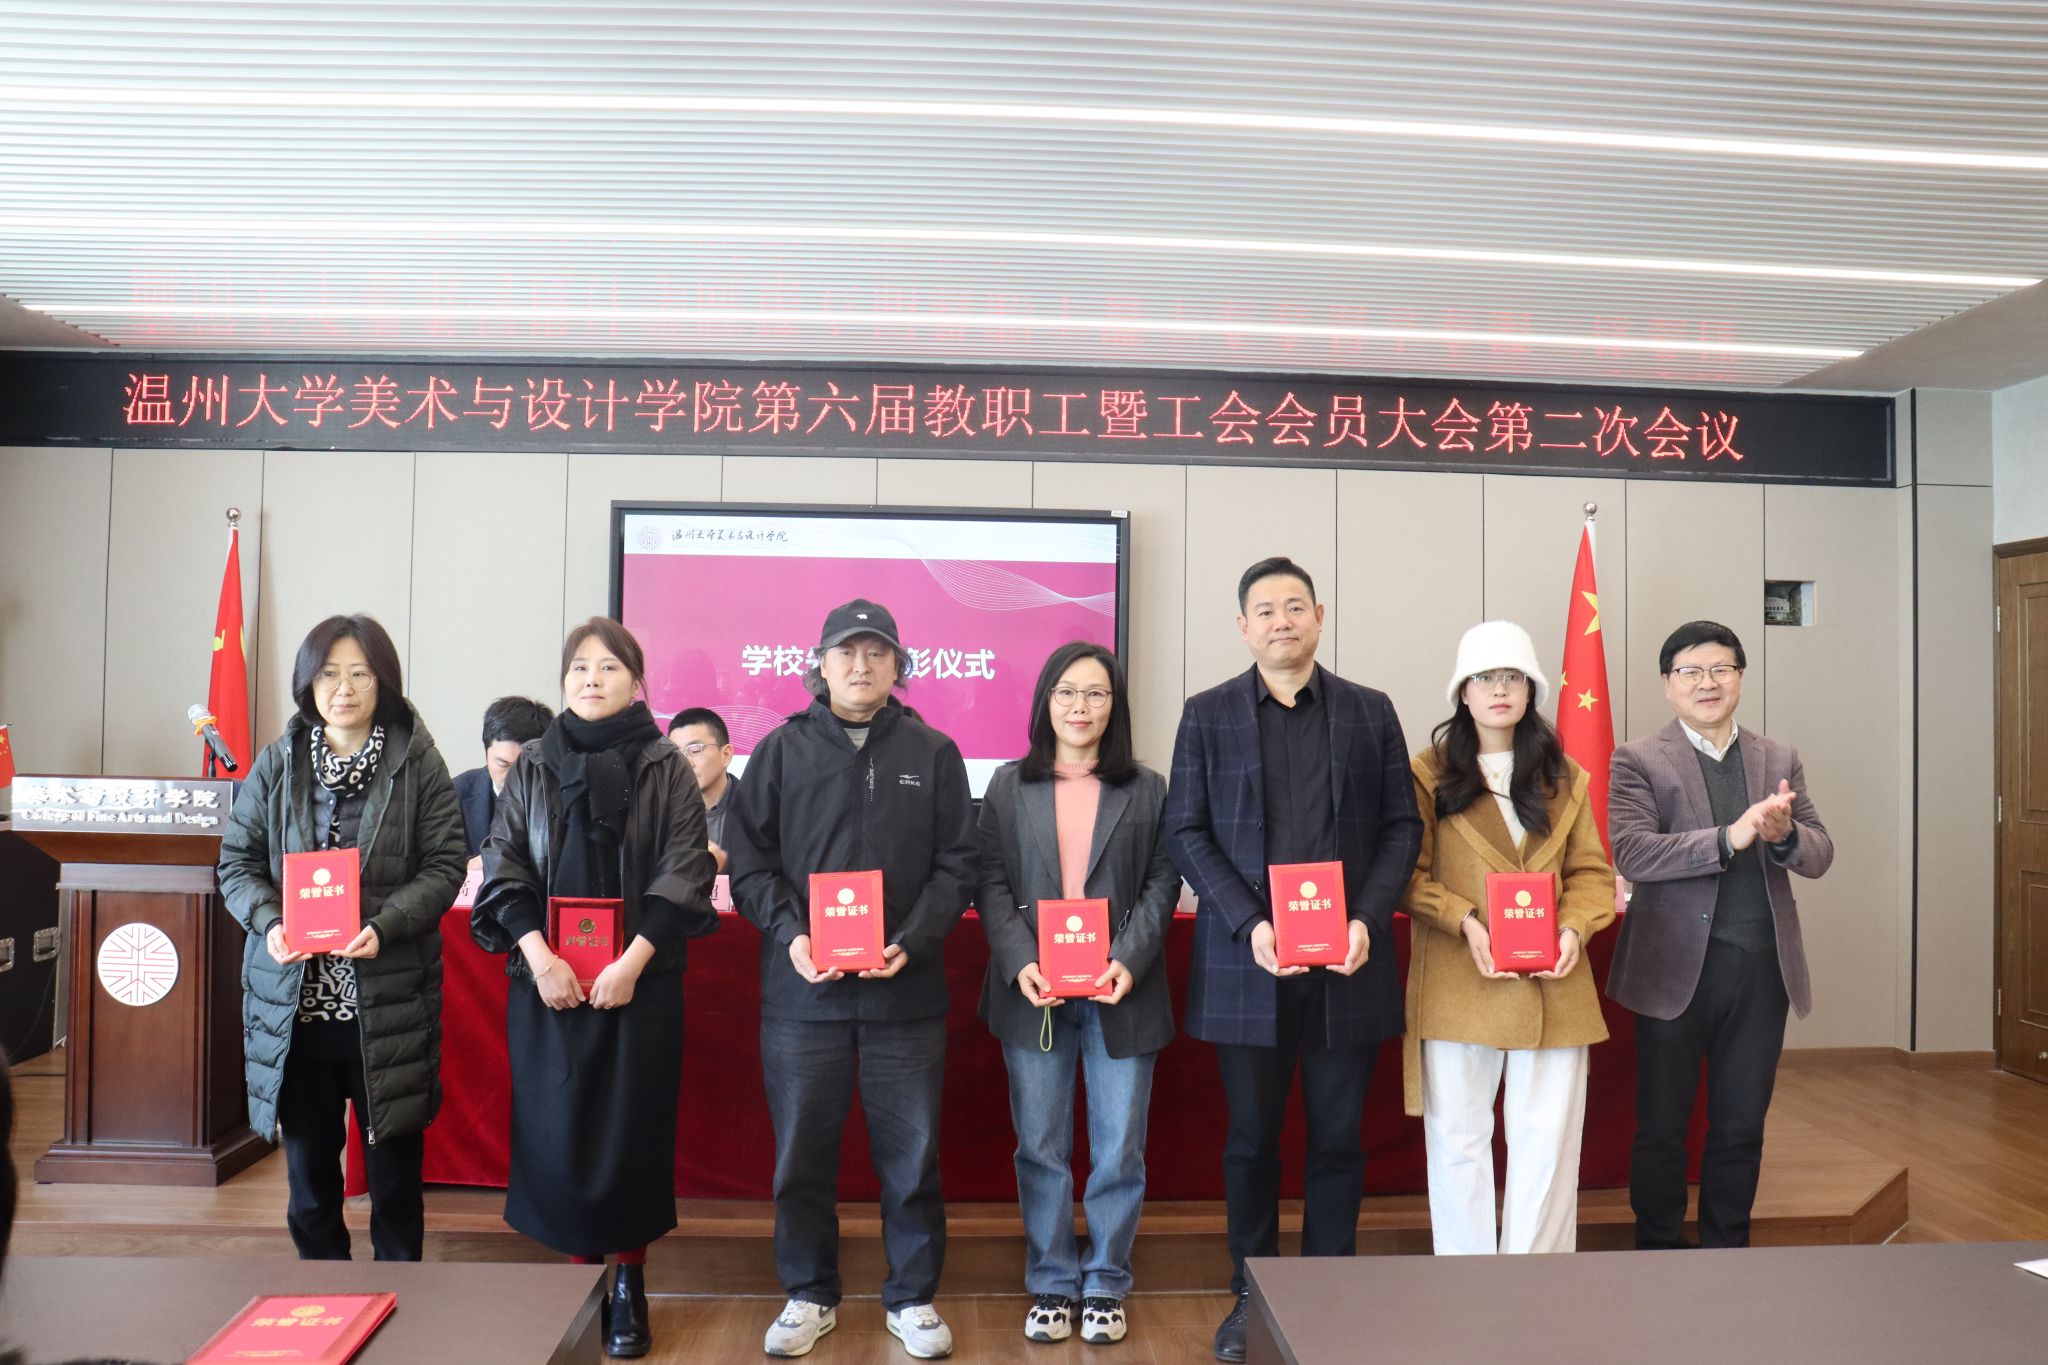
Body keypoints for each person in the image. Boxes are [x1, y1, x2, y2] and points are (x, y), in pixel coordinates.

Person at [1164, 557, 1422, 1363]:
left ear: (1319, 615)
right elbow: (1185, 829)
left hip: (1349, 962)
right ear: (1244, 627)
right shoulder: (1206, 714)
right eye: (1265, 610)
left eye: (1295, 606)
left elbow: (1402, 827)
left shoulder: (1370, 711)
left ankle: (1329, 1295)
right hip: (1251, 965)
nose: (1282, 620)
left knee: (1339, 1138)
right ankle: (1253, 1294)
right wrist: (1248, 923)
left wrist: (1367, 919)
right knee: (1251, 1141)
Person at [726, 599, 977, 1361]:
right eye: (846, 652)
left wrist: (913, 938)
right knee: (801, 1155)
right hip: (804, 994)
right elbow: (750, 865)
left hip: (906, 990)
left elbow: (958, 864)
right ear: (820, 664)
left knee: (914, 1155)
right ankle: (809, 1292)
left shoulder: (934, 751)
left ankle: (913, 1296)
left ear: (899, 664)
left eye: (876, 652)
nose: (861, 665)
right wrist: (793, 934)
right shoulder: (780, 751)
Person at [473, 617, 718, 1359]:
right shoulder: (535, 763)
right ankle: (581, 1285)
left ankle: (629, 1283)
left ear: (635, 681)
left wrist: (631, 962)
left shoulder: (666, 764)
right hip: (549, 984)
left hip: (639, 983)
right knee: (560, 1131)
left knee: (631, 1134)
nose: (591, 678)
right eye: (580, 666)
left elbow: (685, 868)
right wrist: (541, 957)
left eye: (609, 667)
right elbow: (504, 862)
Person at [217, 614, 466, 1264]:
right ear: (308, 681)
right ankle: (322, 1298)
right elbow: (236, 863)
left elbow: (445, 864)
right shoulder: (279, 761)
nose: (344, 688)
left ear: (384, 682)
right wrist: (270, 923)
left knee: (395, 1183)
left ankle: (401, 1295)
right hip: (295, 1005)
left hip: (385, 1000)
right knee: (309, 1182)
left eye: (360, 673)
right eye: (329, 673)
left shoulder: (416, 761)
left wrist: (385, 925)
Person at [975, 642, 1179, 1347]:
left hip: (1123, 989)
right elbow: (989, 880)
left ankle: (1106, 1282)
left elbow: (1163, 880)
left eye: (1096, 693)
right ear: (1045, 702)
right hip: (1034, 991)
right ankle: (1053, 1280)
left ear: (1114, 705)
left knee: (1119, 1146)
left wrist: (1128, 958)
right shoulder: (1008, 785)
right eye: (1066, 692)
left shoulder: (1147, 787)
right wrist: (1020, 960)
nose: (1081, 706)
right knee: (1040, 1145)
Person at [1607, 620, 1833, 1250]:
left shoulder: (1777, 757)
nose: (1707, 683)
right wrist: (1731, 837)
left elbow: (1819, 853)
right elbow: (1633, 853)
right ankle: (1658, 1250)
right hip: (1672, 969)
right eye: (1690, 671)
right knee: (1662, 1128)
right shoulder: (1637, 758)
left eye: (1721, 669)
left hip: (1761, 971)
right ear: (1668, 684)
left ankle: (1727, 1253)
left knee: (1740, 1126)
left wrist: (1784, 835)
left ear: (1739, 678)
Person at [1400, 621, 1616, 1255]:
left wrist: (1574, 928)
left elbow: (1592, 875)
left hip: (1555, 983)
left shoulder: (1565, 775)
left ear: (1531, 691)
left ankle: (1535, 1287)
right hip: (1459, 978)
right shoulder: (1426, 773)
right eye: (1485, 677)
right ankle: (1466, 1284)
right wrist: (1465, 920)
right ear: (1462, 691)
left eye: (1512, 677)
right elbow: (1406, 876)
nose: (1499, 689)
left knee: (1548, 1145)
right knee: (1457, 1141)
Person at [454, 696, 554, 861]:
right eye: (503, 764)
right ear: (486, 753)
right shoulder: (456, 793)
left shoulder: (560, 798)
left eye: (523, 767)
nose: (512, 777)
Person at [667, 706, 738, 872]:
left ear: (726, 755)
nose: (686, 763)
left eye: (695, 750)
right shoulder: (662, 814)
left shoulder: (758, 808)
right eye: (676, 754)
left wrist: (726, 865)